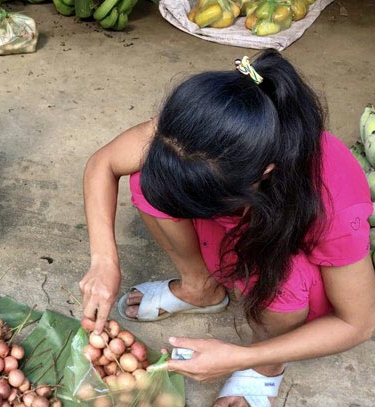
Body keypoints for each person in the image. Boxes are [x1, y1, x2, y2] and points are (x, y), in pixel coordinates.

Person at [79, 50, 375, 406]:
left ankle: (267, 367)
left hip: (285, 255)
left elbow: (358, 324)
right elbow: (104, 163)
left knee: (284, 279)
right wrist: (104, 260)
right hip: (240, 216)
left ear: (264, 172)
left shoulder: (331, 201)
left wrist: (241, 357)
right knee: (150, 179)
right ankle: (200, 288)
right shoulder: (195, 133)